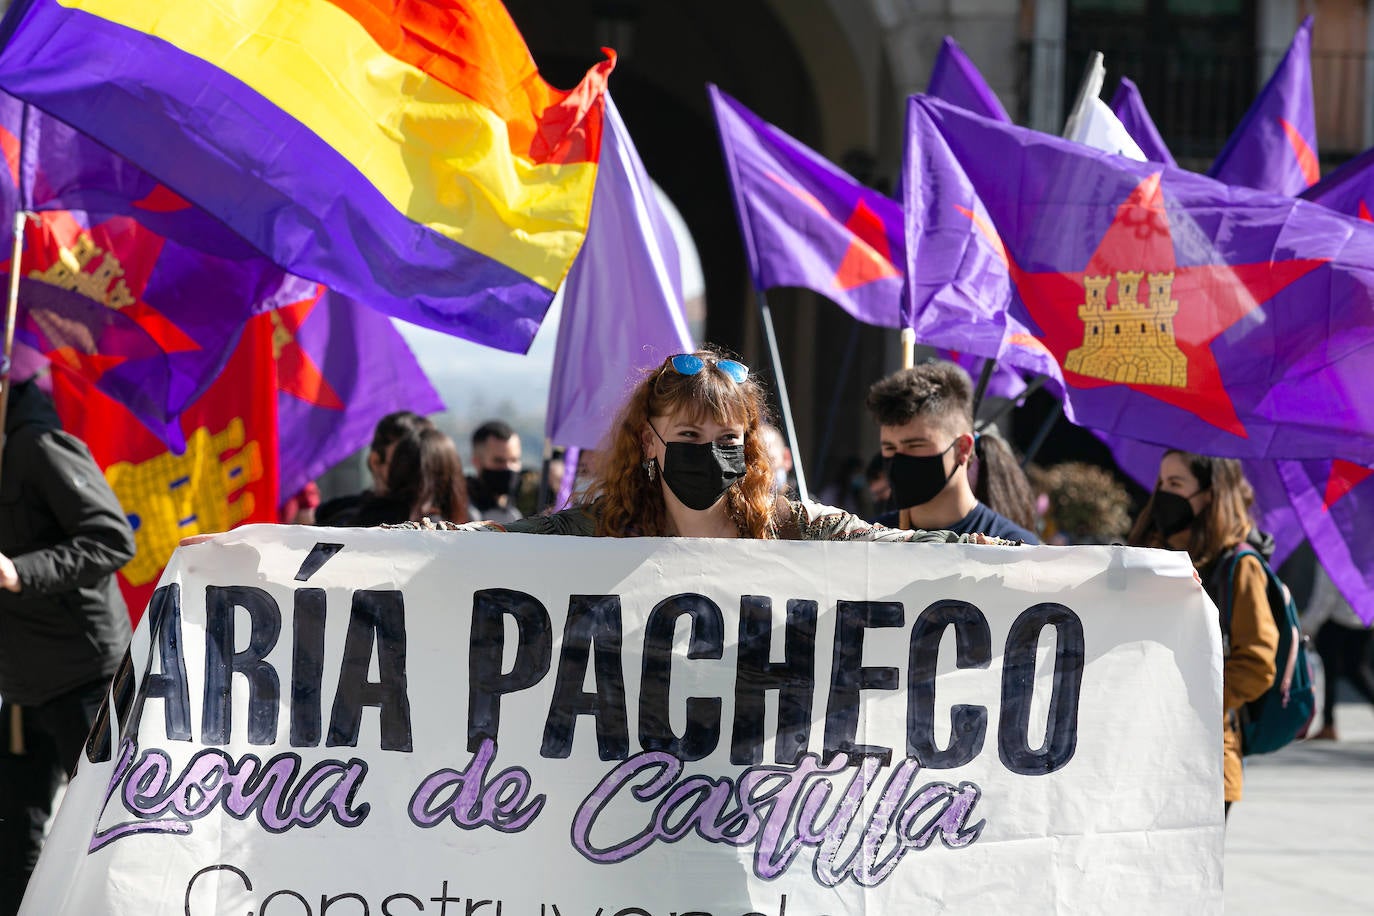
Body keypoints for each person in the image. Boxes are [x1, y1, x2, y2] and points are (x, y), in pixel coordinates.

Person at [404, 350, 1011, 545]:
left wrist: (964, 551)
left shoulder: (791, 529)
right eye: (689, 437)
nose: (707, 451)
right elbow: (493, 547)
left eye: (727, 439)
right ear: (649, 442)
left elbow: (885, 545)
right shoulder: (595, 533)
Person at [0, 379, 136, 915]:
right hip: (20, 683)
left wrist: (19, 572)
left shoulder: (37, 445)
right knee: (15, 839)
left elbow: (112, 539)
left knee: (104, 832)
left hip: (85, 678)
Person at [1127, 451, 1279, 818]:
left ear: (1211, 493)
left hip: (1205, 759)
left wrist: (1186, 700)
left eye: (1176, 484)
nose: (1163, 493)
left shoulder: (1239, 566)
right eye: (1161, 483)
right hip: (1138, 751)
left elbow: (1258, 664)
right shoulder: (1149, 556)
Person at [865, 361, 1038, 543]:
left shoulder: (1013, 547)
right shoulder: (870, 542)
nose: (898, 459)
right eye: (889, 447)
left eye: (915, 445)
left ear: (962, 448)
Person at [316, 410, 432, 527]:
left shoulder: (439, 522)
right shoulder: (337, 513)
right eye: (404, 461)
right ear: (375, 461)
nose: (418, 472)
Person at [1303, 564, 1374, 741]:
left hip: (1336, 619)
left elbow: (1325, 596)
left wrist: (1308, 625)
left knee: (1333, 672)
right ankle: (1328, 723)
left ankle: (1328, 725)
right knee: (1356, 670)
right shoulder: (1361, 547)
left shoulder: (1330, 552)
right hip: (1363, 617)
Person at [467, 420, 523, 524]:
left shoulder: (514, 514)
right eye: (499, 461)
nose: (508, 467)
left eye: (514, 460)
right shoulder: (462, 510)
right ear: (477, 462)